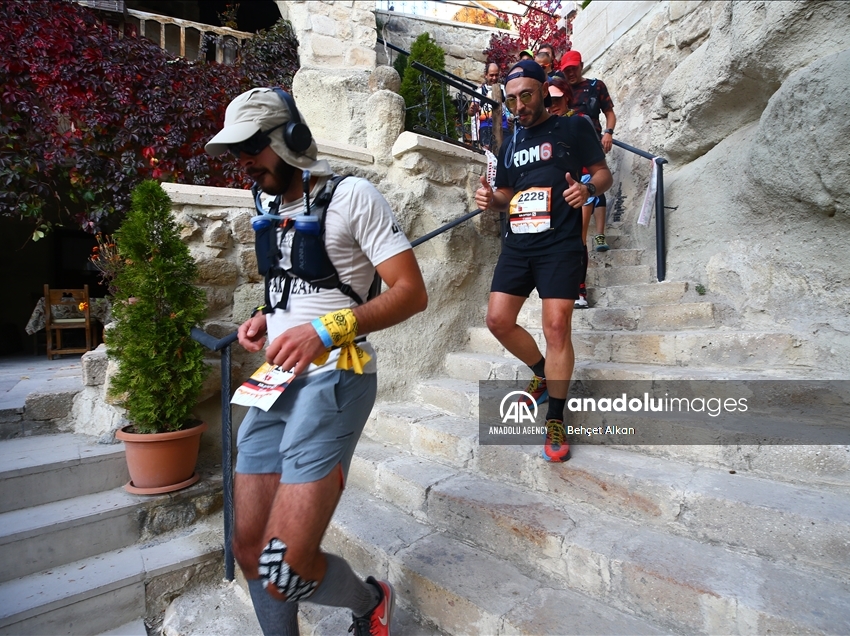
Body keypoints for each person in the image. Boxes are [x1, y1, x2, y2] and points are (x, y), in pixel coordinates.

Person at [204, 87, 428, 636]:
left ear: (291, 138)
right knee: (248, 549)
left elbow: (411, 293)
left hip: (338, 379)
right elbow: (296, 286)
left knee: (284, 567)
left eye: (251, 148)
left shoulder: (354, 197)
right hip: (276, 382)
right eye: (237, 152)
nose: (244, 162)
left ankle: (370, 602)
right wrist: (265, 317)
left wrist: (324, 331)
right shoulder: (265, 200)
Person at [474, 62, 612, 463]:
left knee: (556, 328)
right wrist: (491, 200)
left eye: (526, 96)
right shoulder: (509, 144)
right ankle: (541, 371)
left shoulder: (574, 127)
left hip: (561, 245)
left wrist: (586, 189)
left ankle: (555, 417)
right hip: (518, 245)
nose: (519, 105)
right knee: (498, 321)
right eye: (511, 99)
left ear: (543, 92)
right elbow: (505, 194)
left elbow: (603, 174)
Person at [547, 76, 599, 308]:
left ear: (567, 97)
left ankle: (580, 290)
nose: (552, 105)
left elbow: (596, 161)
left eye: (557, 99)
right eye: (548, 101)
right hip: (556, 188)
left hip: (582, 182)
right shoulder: (545, 126)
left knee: (579, 237)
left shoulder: (580, 121)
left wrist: (588, 186)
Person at [560, 50, 617, 257]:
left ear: (581, 66)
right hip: (568, 147)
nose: (570, 73)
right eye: (566, 70)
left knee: (595, 184)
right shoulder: (560, 90)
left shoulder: (595, 86)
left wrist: (608, 133)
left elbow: (609, 113)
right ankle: (578, 239)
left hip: (592, 144)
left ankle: (597, 235)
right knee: (576, 187)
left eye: (574, 68)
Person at [469, 62, 511, 150]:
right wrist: (473, 109)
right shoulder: (480, 92)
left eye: (496, 75)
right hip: (485, 126)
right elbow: (470, 112)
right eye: (491, 75)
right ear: (486, 75)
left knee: (505, 150)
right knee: (488, 152)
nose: (494, 78)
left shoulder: (504, 89)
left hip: (503, 126)